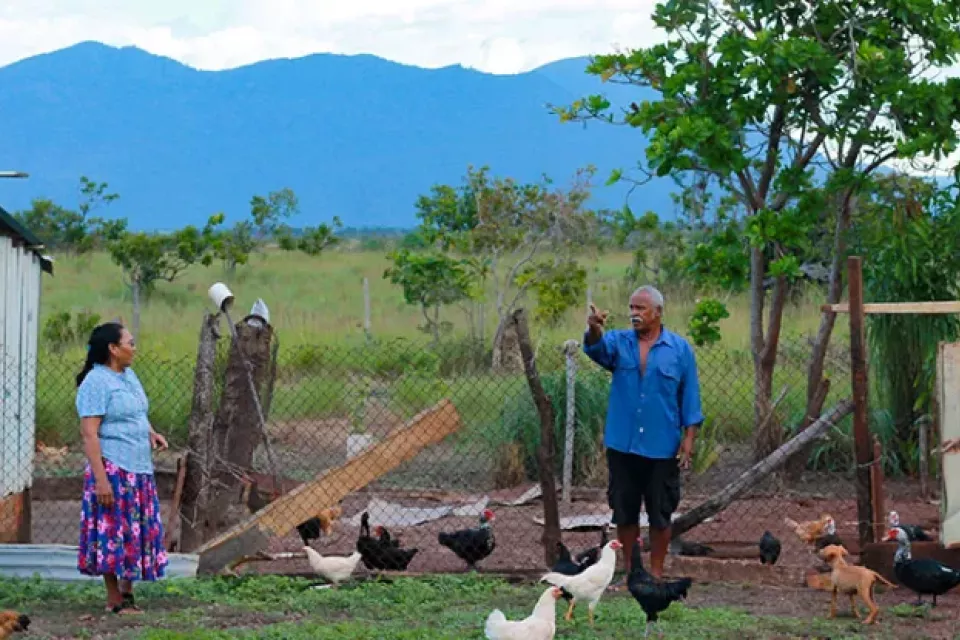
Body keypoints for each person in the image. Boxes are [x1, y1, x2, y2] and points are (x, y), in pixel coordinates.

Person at [582, 285, 704, 587]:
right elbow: (595, 349)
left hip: (662, 446)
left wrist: (689, 438)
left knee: (661, 513)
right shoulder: (618, 342)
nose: (634, 314)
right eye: (632, 308)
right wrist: (594, 329)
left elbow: (690, 397)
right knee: (625, 511)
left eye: (641, 309)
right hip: (623, 444)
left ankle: (657, 573)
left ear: (658, 313)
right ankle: (632, 572)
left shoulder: (679, 350)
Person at [75, 322, 169, 614]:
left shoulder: (128, 376)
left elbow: (136, 411)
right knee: (114, 531)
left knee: (135, 531)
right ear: (113, 349)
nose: (134, 347)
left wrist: (150, 432)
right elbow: (90, 434)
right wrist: (102, 481)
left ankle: (128, 595)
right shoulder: (96, 382)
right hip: (114, 468)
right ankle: (114, 598)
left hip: (139, 468)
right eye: (130, 342)